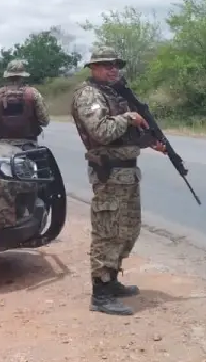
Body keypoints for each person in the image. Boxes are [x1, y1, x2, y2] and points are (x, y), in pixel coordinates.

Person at [70, 45, 166, 316]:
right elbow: (101, 131)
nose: (114, 69)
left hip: (126, 173)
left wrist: (150, 142)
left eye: (116, 65)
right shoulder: (89, 95)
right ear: (94, 68)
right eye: (107, 64)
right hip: (108, 173)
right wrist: (127, 117)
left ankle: (111, 281)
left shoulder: (114, 94)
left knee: (127, 230)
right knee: (107, 232)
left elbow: (126, 135)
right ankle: (100, 294)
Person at [0, 59, 50, 147]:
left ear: (7, 76)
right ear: (22, 76)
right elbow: (45, 120)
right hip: (28, 143)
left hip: (3, 144)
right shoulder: (33, 93)